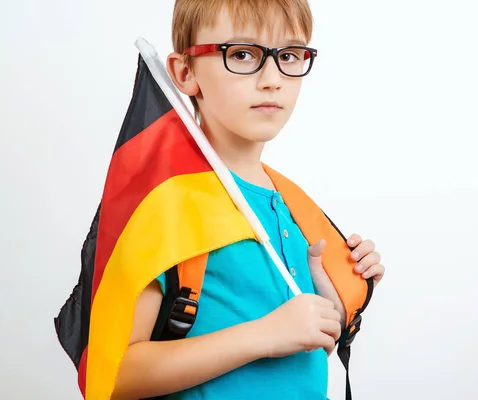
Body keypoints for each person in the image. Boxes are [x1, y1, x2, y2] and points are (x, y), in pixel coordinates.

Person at [111, 1, 385, 399]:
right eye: (242, 54)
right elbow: (115, 374)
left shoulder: (294, 205)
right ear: (185, 72)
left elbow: (300, 344)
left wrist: (335, 307)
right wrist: (264, 334)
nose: (272, 79)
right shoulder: (166, 204)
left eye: (289, 55)